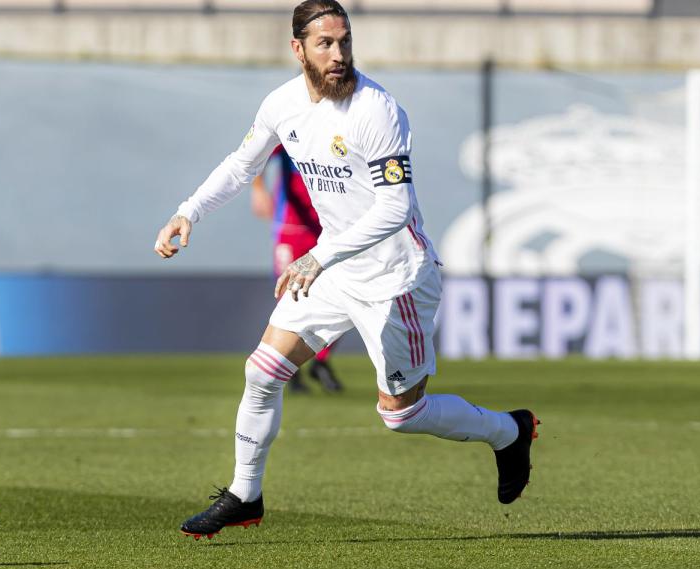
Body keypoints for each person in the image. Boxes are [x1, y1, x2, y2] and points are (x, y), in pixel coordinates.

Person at [154, 0, 539, 540]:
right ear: (298, 49)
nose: (338, 55)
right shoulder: (282, 104)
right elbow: (243, 165)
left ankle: (507, 431)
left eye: (345, 42)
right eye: (325, 44)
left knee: (401, 414)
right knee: (261, 373)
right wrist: (188, 211)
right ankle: (245, 494)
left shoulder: (376, 110)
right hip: (334, 269)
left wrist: (319, 255)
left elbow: (394, 209)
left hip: (395, 279)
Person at [251, 145, 344, 393]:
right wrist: (258, 189)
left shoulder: (337, 131)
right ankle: (288, 366)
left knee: (343, 292)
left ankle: (321, 361)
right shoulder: (291, 129)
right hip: (290, 228)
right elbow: (258, 152)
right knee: (289, 295)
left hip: (327, 230)